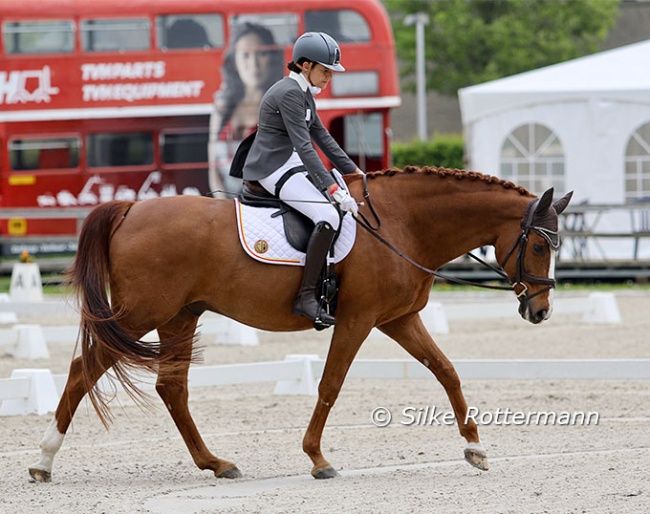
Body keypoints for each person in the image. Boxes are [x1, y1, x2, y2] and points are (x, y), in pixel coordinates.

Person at [242, 32, 364, 327]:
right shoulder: (288, 93)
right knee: (328, 215)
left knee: (331, 209)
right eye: (325, 71)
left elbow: (321, 135)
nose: (328, 78)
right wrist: (333, 188)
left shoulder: (303, 91)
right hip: (272, 166)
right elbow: (305, 145)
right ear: (305, 65)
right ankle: (306, 297)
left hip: (288, 161)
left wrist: (354, 172)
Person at [208, 22, 284, 196]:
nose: (254, 64)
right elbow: (213, 170)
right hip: (226, 207)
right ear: (234, 60)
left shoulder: (279, 105)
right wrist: (224, 207)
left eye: (262, 54)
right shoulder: (222, 107)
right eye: (245, 55)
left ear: (272, 58)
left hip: (267, 201)